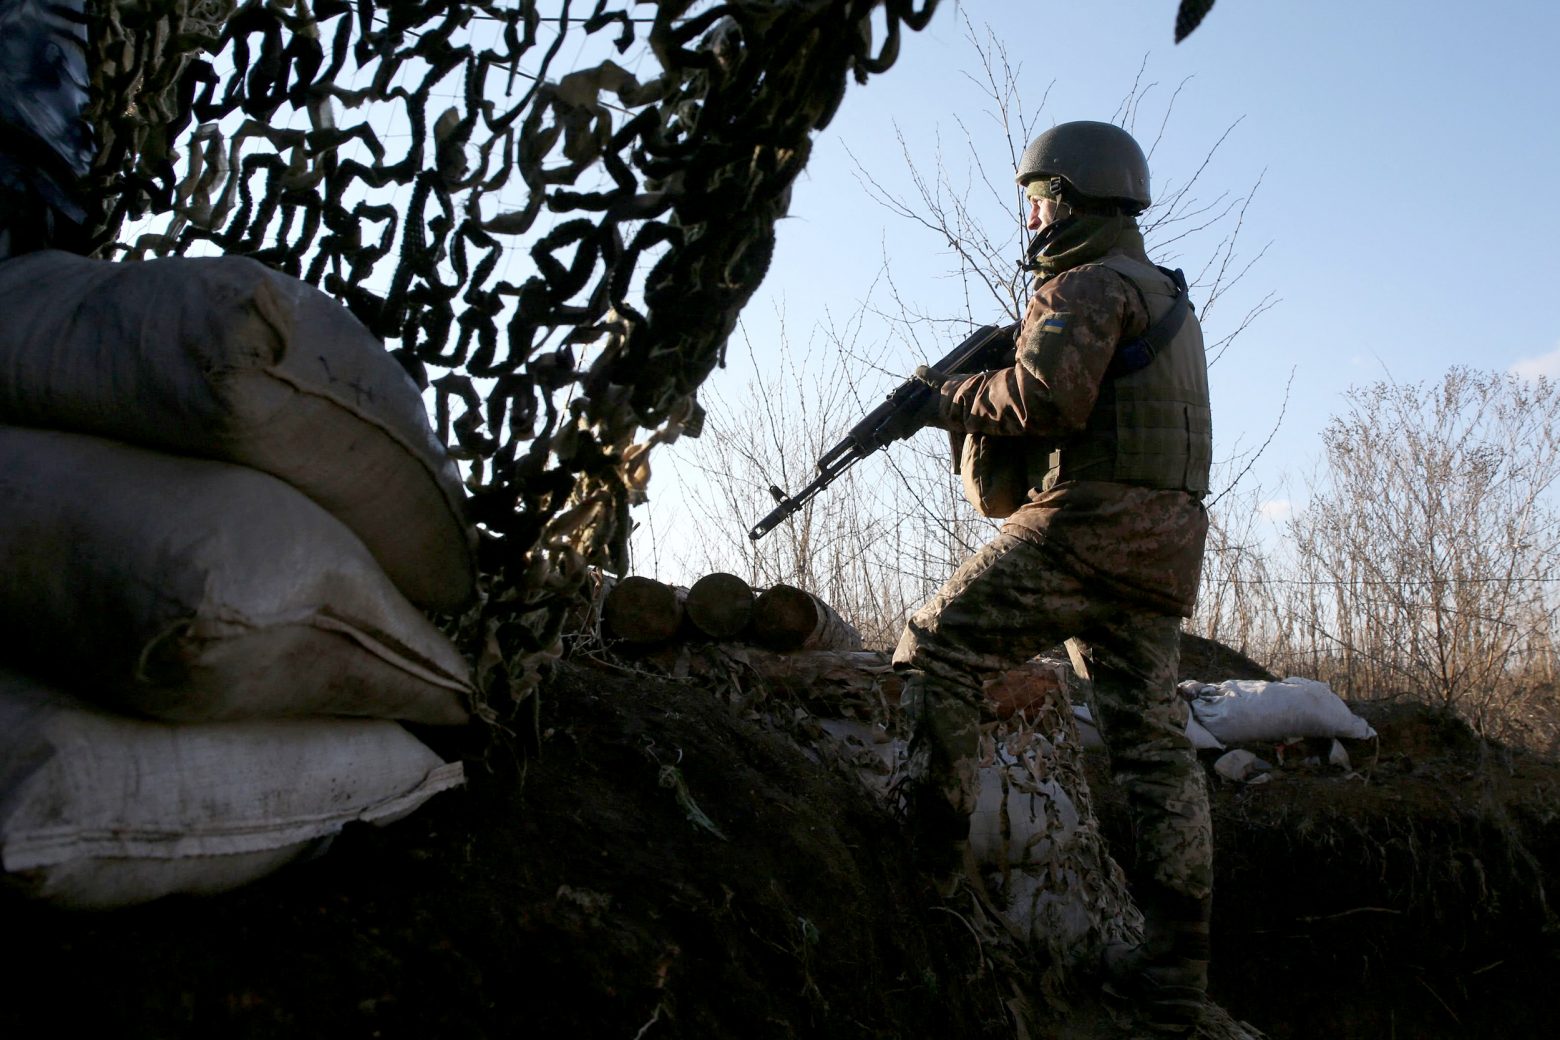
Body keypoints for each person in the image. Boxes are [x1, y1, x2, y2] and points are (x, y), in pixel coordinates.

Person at [893, 120, 1214, 1034]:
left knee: (937, 643)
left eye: (1039, 199)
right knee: (1154, 749)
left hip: (1087, 530)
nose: (1031, 216)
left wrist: (941, 400)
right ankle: (1174, 982)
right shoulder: (1165, 297)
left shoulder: (1084, 284)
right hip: (1162, 551)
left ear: (1070, 200)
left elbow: (1045, 401)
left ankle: (927, 878)